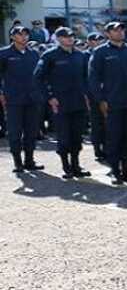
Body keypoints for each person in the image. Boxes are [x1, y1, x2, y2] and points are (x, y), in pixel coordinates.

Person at [89, 21, 127, 184]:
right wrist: (100, 100)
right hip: (111, 103)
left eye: (121, 29)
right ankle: (115, 170)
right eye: (115, 30)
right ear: (107, 34)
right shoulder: (100, 52)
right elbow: (93, 78)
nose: (120, 32)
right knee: (113, 138)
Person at [33, 27, 91, 178]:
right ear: (58, 38)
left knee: (77, 136)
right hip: (60, 103)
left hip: (78, 102)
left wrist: (87, 94)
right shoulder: (50, 55)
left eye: (71, 35)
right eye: (65, 36)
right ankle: (66, 167)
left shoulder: (80, 55)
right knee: (64, 137)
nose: (70, 38)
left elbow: (86, 77)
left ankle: (76, 165)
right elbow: (38, 78)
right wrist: (49, 97)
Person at [0, 25, 45, 172]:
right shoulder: (4, 54)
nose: (24, 37)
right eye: (20, 34)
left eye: (26, 34)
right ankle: (17, 162)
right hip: (13, 100)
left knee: (31, 132)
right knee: (14, 132)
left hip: (32, 99)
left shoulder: (33, 54)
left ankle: (29, 160)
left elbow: (39, 76)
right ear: (12, 37)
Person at [85, 32, 107, 161]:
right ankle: (97, 149)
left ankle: (107, 147)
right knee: (96, 123)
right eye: (94, 40)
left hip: (107, 94)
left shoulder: (103, 53)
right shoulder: (85, 56)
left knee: (107, 124)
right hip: (92, 95)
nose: (97, 42)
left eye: (99, 40)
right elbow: (84, 78)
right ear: (89, 42)